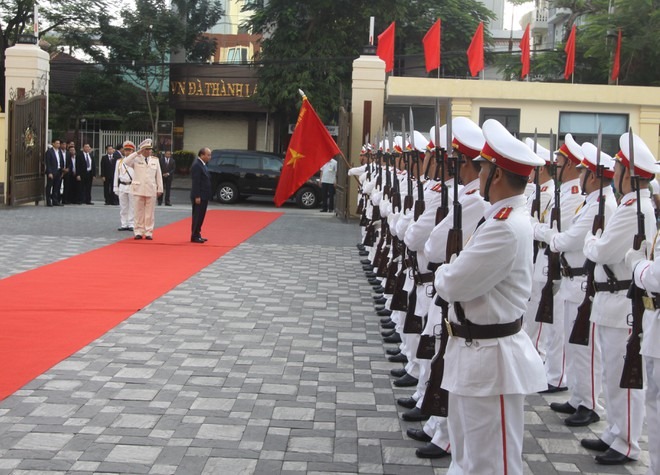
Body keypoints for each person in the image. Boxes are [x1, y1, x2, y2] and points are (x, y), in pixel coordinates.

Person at [434, 118, 546, 474]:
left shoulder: (505, 227)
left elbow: (453, 283)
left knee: (491, 464)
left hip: (491, 362)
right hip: (475, 356)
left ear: (496, 175)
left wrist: (444, 271)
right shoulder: (499, 218)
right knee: (467, 458)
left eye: (482, 168)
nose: (477, 174)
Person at [581, 131, 658, 466]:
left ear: (629, 173)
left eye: (618, 169)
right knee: (613, 374)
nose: (613, 175)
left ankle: (627, 441)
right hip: (610, 302)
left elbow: (603, 250)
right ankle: (615, 431)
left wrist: (590, 242)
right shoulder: (630, 206)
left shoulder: (632, 209)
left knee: (625, 377)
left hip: (620, 302)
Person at [535, 142, 617, 427]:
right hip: (573, 280)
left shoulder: (602, 205)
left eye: (583, 171)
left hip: (583, 281)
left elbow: (571, 238)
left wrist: (553, 238)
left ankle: (590, 404)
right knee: (574, 345)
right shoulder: (592, 201)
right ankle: (579, 397)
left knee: (585, 348)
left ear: (593, 176)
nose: (579, 175)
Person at [123, 139, 163, 240]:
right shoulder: (136, 159)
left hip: (151, 188)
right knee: (138, 212)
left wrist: (160, 188)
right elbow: (126, 162)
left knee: (150, 213)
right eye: (146, 149)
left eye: (150, 149)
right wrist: (137, 153)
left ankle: (149, 232)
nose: (148, 151)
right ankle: (138, 231)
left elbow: (158, 175)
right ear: (142, 150)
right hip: (138, 188)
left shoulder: (155, 160)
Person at [190, 147, 212, 243]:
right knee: (197, 216)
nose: (209, 157)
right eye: (208, 155)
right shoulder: (197, 165)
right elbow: (196, 182)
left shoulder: (203, 165)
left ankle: (198, 233)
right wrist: (197, 196)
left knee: (201, 216)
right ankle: (194, 235)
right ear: (202, 155)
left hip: (204, 195)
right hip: (199, 196)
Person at [113, 141, 136, 231]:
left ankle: (131, 223)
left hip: (132, 185)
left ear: (133, 151)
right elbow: (116, 175)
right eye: (126, 150)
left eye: (129, 150)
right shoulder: (119, 162)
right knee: (123, 206)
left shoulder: (136, 161)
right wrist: (115, 187)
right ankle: (124, 223)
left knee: (132, 206)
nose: (127, 152)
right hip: (122, 185)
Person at [45, 139, 63, 206]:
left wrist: (61, 171)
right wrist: (49, 172)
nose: (58, 144)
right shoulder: (49, 152)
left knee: (56, 186)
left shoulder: (59, 151)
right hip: (52, 172)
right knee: (49, 186)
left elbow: (61, 161)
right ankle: (48, 201)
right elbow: (48, 163)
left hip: (58, 171)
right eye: (57, 143)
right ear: (53, 144)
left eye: (59, 143)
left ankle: (55, 200)